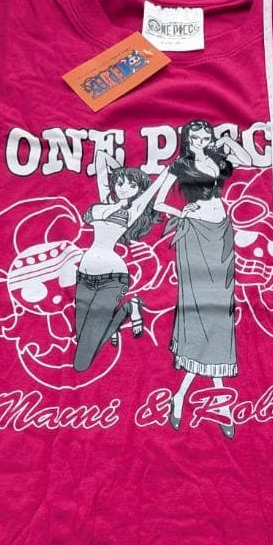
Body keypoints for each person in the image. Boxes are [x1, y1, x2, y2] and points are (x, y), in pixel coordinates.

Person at [153, 119, 254, 437]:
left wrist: (225, 141)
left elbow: (247, 159)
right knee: (200, 313)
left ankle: (181, 396)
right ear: (187, 139)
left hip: (221, 235)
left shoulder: (219, 158)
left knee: (220, 313)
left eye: (205, 135)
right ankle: (221, 406)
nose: (200, 140)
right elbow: (158, 201)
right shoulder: (180, 165)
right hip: (195, 236)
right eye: (194, 136)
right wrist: (180, 212)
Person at [73, 149, 170, 373]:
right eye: (120, 183)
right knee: (82, 336)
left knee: (81, 363)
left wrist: (168, 171)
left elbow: (156, 185)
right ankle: (126, 310)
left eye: (131, 185)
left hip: (113, 278)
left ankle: (126, 309)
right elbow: (100, 157)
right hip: (84, 276)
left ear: (139, 191)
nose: (124, 187)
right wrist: (121, 170)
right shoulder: (105, 200)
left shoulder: (134, 210)